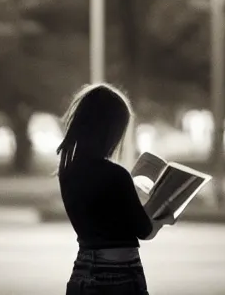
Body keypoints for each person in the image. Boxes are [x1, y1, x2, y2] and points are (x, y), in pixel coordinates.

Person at [57, 83, 174, 295]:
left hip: (82, 273)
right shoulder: (116, 176)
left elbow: (103, 220)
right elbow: (144, 230)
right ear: (110, 131)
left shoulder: (68, 173)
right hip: (119, 275)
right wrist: (164, 217)